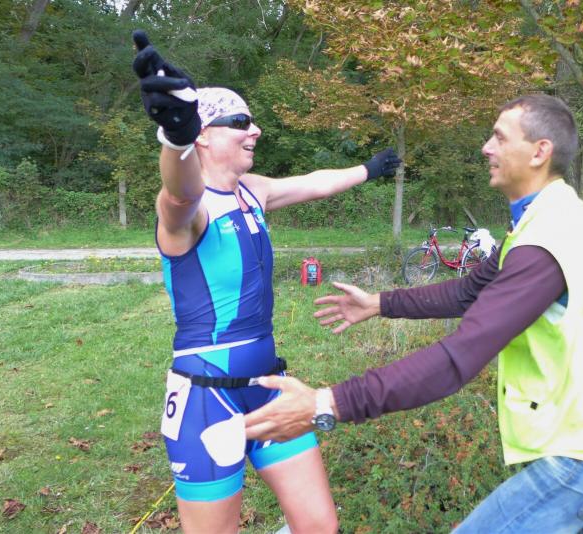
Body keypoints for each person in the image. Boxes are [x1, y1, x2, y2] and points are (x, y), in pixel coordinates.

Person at [244, 94, 583, 533]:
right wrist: (380, 303)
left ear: (540, 151)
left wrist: (325, 403)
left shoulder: (544, 243)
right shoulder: (551, 214)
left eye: (500, 137)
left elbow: (458, 358)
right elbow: (470, 290)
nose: (486, 147)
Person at [130, 31, 400, 534]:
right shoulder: (191, 211)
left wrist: (368, 169)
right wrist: (175, 139)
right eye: (240, 122)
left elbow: (315, 183)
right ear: (204, 135)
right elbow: (178, 196)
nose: (254, 130)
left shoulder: (252, 191)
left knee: (320, 528)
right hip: (206, 398)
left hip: (269, 387)